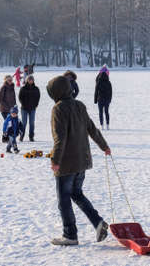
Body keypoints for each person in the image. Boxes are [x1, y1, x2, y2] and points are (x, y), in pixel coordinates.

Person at [46, 75, 111, 246]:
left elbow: (60, 138)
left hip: (67, 162)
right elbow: (92, 129)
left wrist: (55, 159)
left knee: (64, 200)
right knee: (77, 193)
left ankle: (70, 235)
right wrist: (104, 146)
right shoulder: (79, 105)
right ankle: (98, 222)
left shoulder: (58, 109)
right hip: (82, 160)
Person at [18, 75, 40, 142]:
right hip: (24, 108)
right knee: (24, 123)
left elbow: (38, 97)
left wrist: (35, 105)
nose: (30, 81)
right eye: (29, 79)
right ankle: (21, 136)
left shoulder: (36, 88)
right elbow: (20, 97)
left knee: (32, 123)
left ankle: (31, 136)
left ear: (33, 80)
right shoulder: (23, 88)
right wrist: (23, 104)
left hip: (32, 108)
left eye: (31, 79)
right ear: (27, 80)